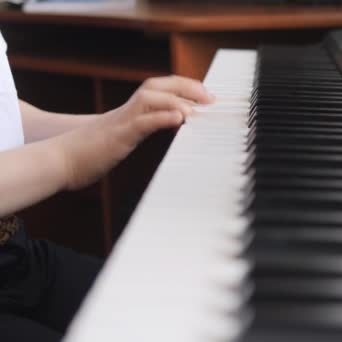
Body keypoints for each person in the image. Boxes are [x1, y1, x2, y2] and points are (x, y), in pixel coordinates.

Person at [0, 31, 214, 341]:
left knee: (185, 317)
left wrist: (114, 124)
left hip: (14, 256)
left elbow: (6, 115)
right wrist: (68, 158)